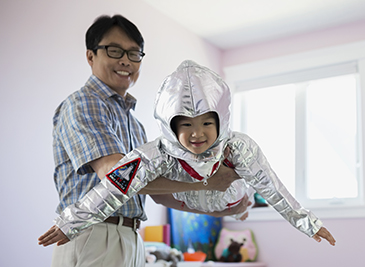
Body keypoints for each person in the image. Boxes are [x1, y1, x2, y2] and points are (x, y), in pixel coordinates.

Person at [39, 60, 336, 251]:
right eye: (187, 125)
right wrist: (70, 222)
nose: (198, 133)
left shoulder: (239, 148)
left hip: (233, 196)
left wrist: (308, 223)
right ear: (171, 126)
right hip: (191, 201)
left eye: (207, 123)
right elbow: (117, 184)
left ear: (220, 121)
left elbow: (273, 188)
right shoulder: (156, 154)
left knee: (244, 201)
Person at [41, 15, 246, 267]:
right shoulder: (84, 103)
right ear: (91, 56)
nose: (125, 60)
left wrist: (222, 208)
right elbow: (116, 174)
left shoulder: (134, 123)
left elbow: (161, 194)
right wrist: (209, 181)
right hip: (95, 234)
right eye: (114, 51)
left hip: (130, 237)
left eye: (134, 53)